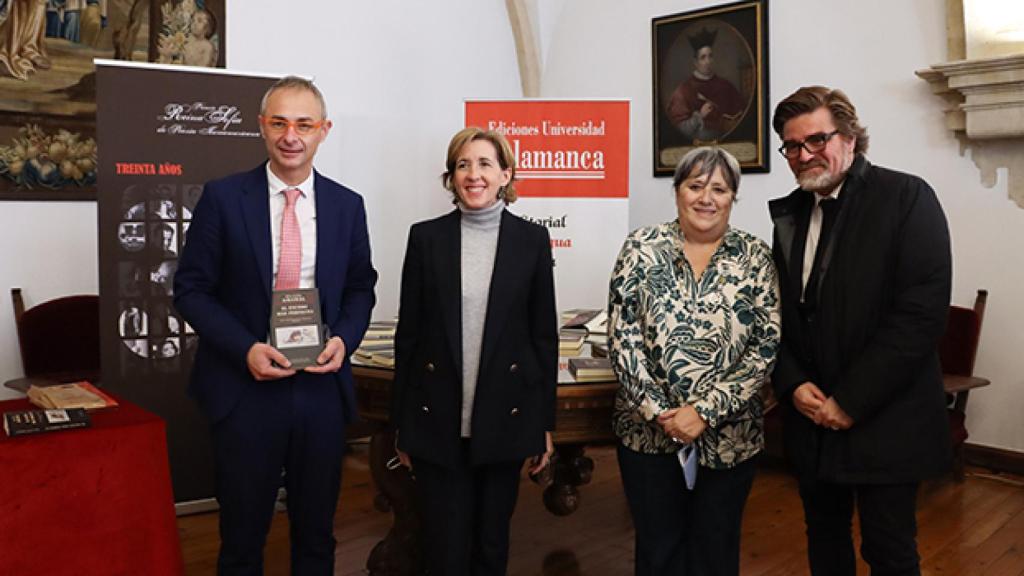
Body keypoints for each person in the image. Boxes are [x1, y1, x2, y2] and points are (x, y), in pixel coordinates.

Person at [173, 76, 377, 575]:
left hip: (320, 389)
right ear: (262, 127)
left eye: (304, 124)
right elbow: (191, 290)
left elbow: (360, 288)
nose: (292, 135)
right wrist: (245, 348)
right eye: (280, 122)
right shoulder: (223, 198)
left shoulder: (346, 206)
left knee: (316, 535)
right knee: (242, 538)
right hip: (244, 389)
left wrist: (344, 341)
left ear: (323, 130)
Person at [768, 85, 952, 576]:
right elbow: (777, 316)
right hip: (812, 420)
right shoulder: (790, 214)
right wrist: (791, 382)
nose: (804, 155)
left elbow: (920, 315)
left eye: (816, 140)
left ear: (849, 137)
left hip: (885, 417)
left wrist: (849, 401)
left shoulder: (906, 197)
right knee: (825, 543)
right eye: (791, 146)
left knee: (889, 550)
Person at [391, 126, 557, 576]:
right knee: (444, 549)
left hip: (505, 419)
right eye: (463, 164)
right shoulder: (425, 238)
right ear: (451, 177)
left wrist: (543, 423)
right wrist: (402, 424)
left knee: (490, 545)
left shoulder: (532, 242)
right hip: (437, 418)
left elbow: (543, 338)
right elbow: (408, 336)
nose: (473, 174)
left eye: (485, 164)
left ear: (506, 174)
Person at [608, 146, 780, 576]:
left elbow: (765, 346)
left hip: (729, 437)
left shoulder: (755, 256)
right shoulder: (641, 247)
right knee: (657, 549)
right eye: (695, 185)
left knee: (715, 551)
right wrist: (660, 412)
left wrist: (703, 412)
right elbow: (622, 336)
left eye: (719, 188)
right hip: (647, 434)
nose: (706, 197)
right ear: (678, 191)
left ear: (733, 197)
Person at [666, 27, 745, 143]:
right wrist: (699, 116)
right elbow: (678, 130)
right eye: (703, 57)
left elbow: (740, 117)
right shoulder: (684, 90)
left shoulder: (726, 86)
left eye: (710, 56)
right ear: (695, 62)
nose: (708, 61)